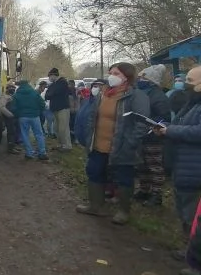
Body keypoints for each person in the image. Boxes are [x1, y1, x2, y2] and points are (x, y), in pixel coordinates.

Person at [76, 62, 150, 225]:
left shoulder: (136, 96)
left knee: (124, 178)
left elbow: (142, 123)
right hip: (98, 144)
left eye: (116, 73)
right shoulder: (103, 94)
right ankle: (96, 206)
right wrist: (89, 137)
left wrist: (130, 142)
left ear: (126, 76)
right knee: (94, 172)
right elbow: (92, 116)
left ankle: (123, 212)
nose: (111, 76)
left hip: (122, 146)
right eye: (111, 72)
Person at [153, 66, 201, 271]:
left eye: (190, 80)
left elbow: (197, 132)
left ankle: (196, 261)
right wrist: (163, 127)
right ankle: (188, 250)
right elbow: (181, 123)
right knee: (184, 212)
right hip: (182, 165)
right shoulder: (192, 103)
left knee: (194, 217)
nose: (185, 83)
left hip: (195, 167)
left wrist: (171, 130)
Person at [134, 64, 171, 207]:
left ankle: (156, 195)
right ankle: (144, 189)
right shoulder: (141, 93)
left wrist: (153, 126)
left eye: (142, 77)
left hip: (154, 137)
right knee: (142, 165)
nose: (139, 79)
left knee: (154, 166)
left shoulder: (158, 96)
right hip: (141, 135)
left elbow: (164, 117)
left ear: (150, 80)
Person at [12, 80, 48, 160]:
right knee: (39, 134)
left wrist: (18, 114)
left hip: (23, 117)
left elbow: (13, 108)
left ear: (20, 86)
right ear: (28, 85)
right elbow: (42, 104)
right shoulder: (34, 93)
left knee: (25, 135)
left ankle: (29, 153)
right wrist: (38, 111)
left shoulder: (16, 95)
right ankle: (42, 153)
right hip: (35, 116)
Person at [45, 68, 72, 151]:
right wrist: (51, 93)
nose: (49, 78)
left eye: (49, 76)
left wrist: (51, 93)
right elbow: (47, 95)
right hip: (56, 109)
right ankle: (61, 144)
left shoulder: (62, 83)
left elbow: (53, 92)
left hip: (63, 108)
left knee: (63, 128)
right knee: (57, 128)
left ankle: (67, 145)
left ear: (53, 75)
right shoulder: (53, 84)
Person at [1, 84, 18, 154]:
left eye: (13, 88)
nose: (12, 89)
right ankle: (10, 149)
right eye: (11, 88)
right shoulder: (4, 97)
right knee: (11, 132)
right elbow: (2, 107)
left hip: (13, 117)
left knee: (13, 132)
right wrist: (10, 115)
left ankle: (13, 146)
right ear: (7, 89)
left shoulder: (11, 96)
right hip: (9, 117)